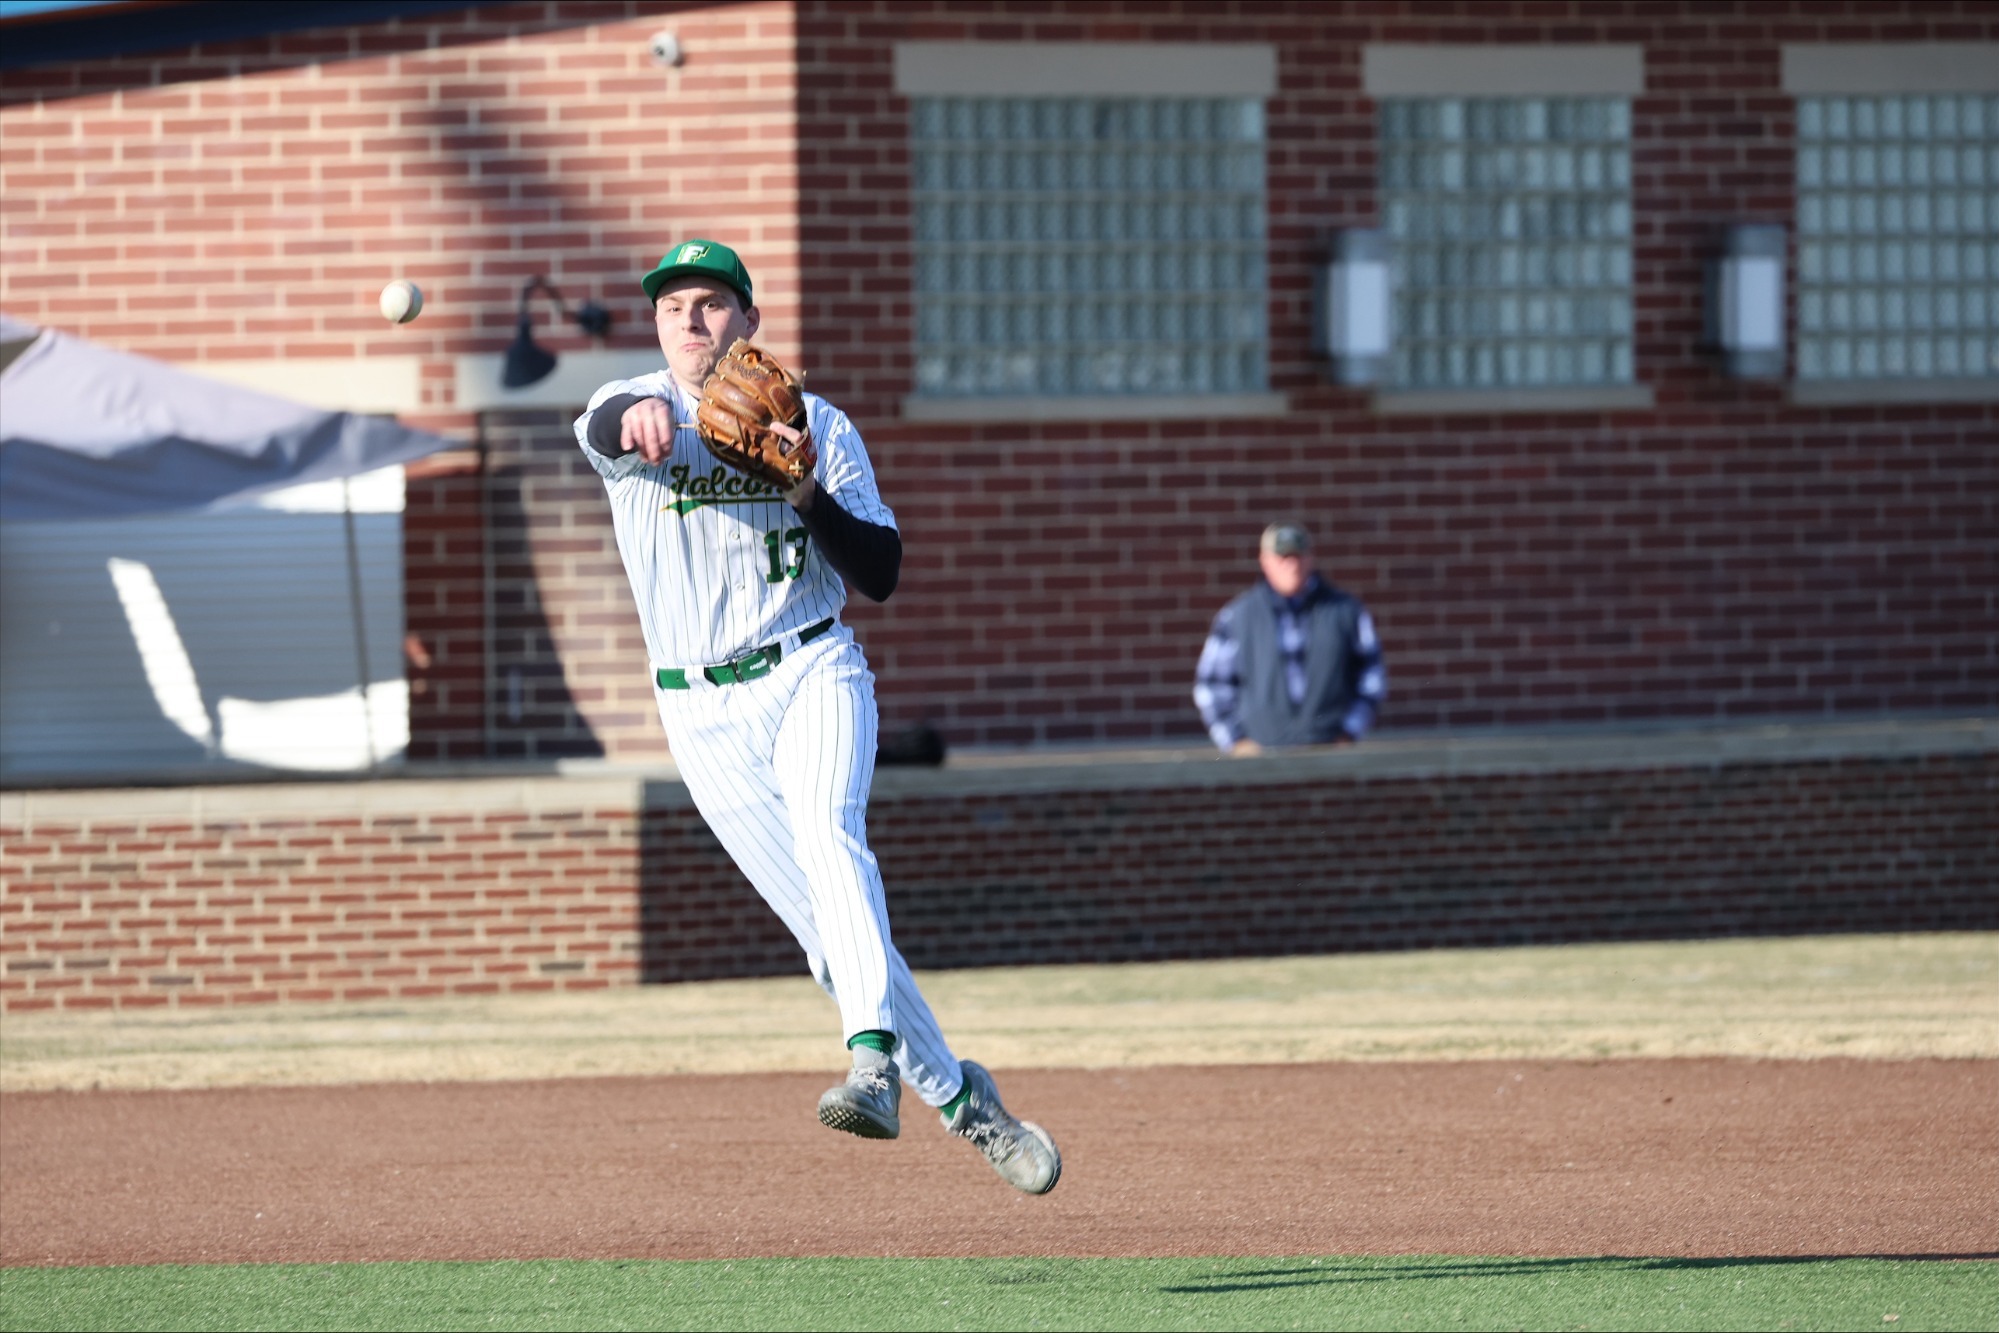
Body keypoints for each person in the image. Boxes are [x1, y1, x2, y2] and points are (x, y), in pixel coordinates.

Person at [573, 238, 1059, 1194]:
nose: (690, 321)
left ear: (749, 320)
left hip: (810, 665)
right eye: (672, 307)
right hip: (698, 709)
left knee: (832, 837)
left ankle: (870, 1062)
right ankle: (964, 1101)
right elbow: (598, 426)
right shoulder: (634, 405)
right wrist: (632, 419)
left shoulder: (818, 425)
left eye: (711, 303)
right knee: (827, 940)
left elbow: (880, 571)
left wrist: (801, 487)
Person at [1193, 522, 1386, 756]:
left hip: (1329, 752)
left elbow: (1371, 678)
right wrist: (1236, 742)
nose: (1292, 566)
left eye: (1298, 557)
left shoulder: (1346, 611)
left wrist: (1349, 732)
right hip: (1260, 757)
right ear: (1265, 561)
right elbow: (1212, 686)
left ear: (1311, 558)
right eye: (1283, 557)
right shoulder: (1238, 616)